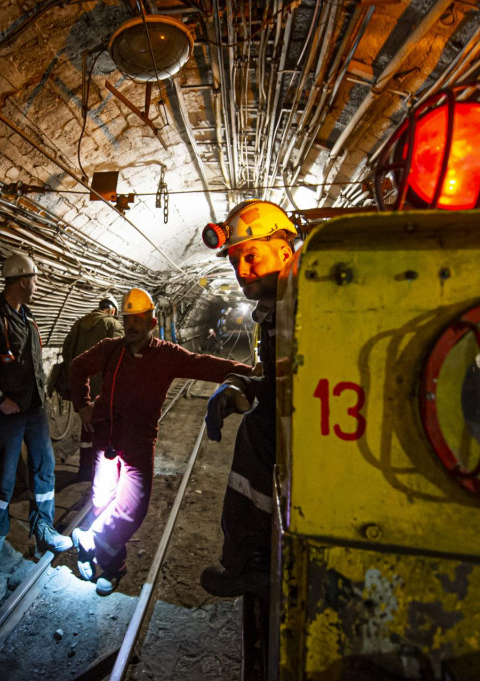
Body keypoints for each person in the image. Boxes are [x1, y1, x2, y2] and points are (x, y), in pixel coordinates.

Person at [68, 288, 251, 596]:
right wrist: (82, 404)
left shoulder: (166, 355)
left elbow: (204, 364)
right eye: (128, 320)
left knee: (131, 510)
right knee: (102, 503)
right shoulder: (110, 349)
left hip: (138, 443)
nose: (131, 326)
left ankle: (91, 541)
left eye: (138, 320)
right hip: (106, 440)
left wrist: (250, 372)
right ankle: (113, 565)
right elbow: (77, 367)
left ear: (152, 323)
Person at [199, 200, 297, 680]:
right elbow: (282, 379)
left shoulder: (313, 299)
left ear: (283, 246)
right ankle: (249, 557)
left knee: (256, 435)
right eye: (235, 259)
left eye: (251, 255)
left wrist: (253, 396)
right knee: (255, 425)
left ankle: (247, 560)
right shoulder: (282, 305)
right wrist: (243, 387)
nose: (242, 268)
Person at [0, 251, 73, 558]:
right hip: (8, 410)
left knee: (44, 467)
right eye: (34, 278)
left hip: (34, 408)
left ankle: (43, 526)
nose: (37, 283)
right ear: (20, 280)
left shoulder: (27, 316)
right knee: (5, 470)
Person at [61, 297, 123, 481]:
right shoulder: (112, 325)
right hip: (104, 388)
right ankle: (104, 473)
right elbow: (121, 356)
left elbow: (67, 351)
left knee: (87, 429)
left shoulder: (79, 324)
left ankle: (85, 469)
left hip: (82, 388)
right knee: (107, 431)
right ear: (112, 311)